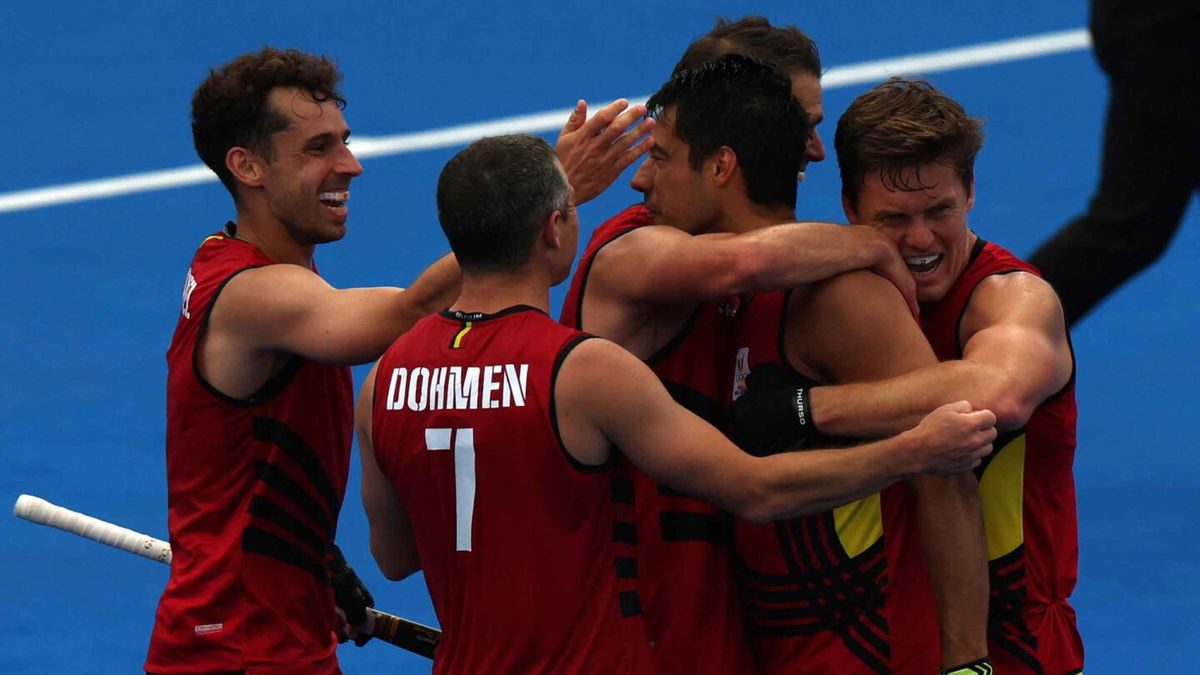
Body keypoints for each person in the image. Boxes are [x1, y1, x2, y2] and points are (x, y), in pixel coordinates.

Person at [355, 132, 996, 674]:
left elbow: (395, 557)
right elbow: (756, 489)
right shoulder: (581, 369)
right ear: (556, 230)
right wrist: (913, 450)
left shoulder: (383, 381)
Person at [556, 22, 923, 673]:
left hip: (727, 625)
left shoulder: (790, 271)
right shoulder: (642, 250)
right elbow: (738, 263)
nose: (812, 147)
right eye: (798, 120)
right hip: (644, 634)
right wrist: (870, 244)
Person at [740, 77, 1082, 674]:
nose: (921, 239)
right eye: (893, 218)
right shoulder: (842, 291)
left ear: (971, 192)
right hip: (889, 637)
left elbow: (995, 394)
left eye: (939, 211)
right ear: (849, 208)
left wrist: (804, 408)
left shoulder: (1014, 299)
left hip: (1018, 647)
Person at [146, 47, 460, 674]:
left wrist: (313, 557)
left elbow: (246, 459)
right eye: (318, 149)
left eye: (344, 141)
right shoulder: (256, 295)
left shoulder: (228, 257)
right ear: (248, 166)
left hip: (263, 635)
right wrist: (538, 197)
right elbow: (404, 317)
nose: (352, 165)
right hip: (239, 652)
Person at [1029, 0, 1199, 326]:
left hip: (1148, 39)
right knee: (1129, 227)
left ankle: (982, 335)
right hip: (1171, 42)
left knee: (1129, 227)